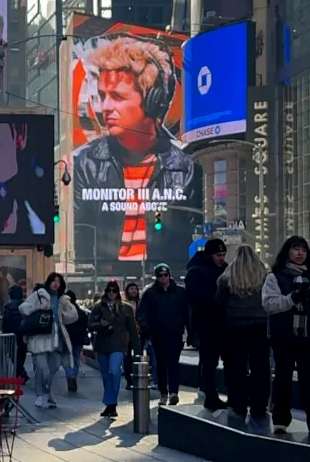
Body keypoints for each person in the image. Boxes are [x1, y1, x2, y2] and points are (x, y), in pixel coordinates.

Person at [72, 36, 202, 265]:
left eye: (117, 97)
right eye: (102, 96)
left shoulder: (186, 168)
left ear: (153, 101)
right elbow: (80, 240)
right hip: (101, 281)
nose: (105, 108)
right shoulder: (86, 163)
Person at [262, 235, 310, 436]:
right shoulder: (274, 277)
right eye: (296, 249)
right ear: (287, 252)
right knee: (282, 379)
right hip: (283, 337)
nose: (300, 254)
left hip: (308, 337)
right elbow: (270, 304)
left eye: (303, 250)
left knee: (309, 380)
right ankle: (280, 420)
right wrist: (293, 298)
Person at [214, 244, 269, 419]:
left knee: (237, 367)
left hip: (235, 328)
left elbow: (219, 305)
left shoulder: (226, 278)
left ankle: (238, 404)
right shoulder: (264, 277)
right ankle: (259, 405)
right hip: (260, 326)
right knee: (260, 367)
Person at [18, 272, 79, 408]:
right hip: (40, 336)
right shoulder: (39, 295)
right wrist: (37, 308)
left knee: (55, 368)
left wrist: (62, 313)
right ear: (48, 282)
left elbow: (73, 316)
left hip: (57, 337)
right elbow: (23, 308)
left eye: (58, 281)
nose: (56, 284)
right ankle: (40, 394)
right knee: (41, 367)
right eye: (53, 281)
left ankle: (51, 397)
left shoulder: (63, 299)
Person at [137, 263, 188, 405]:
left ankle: (173, 392)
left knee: (173, 363)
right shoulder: (150, 293)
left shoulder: (180, 292)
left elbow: (187, 312)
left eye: (165, 275)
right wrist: (146, 329)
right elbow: (142, 313)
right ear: (156, 277)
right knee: (161, 364)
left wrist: (189, 331)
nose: (163, 278)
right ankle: (163, 392)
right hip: (158, 333)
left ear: (169, 275)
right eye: (160, 275)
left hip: (175, 333)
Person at [88, 280, 141, 418]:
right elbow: (90, 325)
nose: (111, 293)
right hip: (102, 345)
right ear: (106, 291)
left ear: (118, 292)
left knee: (114, 371)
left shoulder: (126, 308)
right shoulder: (98, 307)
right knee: (106, 375)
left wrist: (138, 350)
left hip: (119, 345)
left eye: (114, 290)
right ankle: (110, 406)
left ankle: (111, 402)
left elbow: (133, 330)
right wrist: (101, 324)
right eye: (109, 290)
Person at [186, 238, 228, 409]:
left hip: (224, 322)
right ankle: (210, 394)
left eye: (224, 255)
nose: (222, 258)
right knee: (209, 361)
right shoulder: (196, 272)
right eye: (219, 255)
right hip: (206, 322)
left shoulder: (225, 270)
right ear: (210, 255)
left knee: (227, 360)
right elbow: (195, 299)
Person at [1, 283, 30, 380]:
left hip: (11, 333)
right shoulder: (25, 304)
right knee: (22, 353)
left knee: (12, 354)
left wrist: (4, 332)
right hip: (23, 332)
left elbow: (6, 321)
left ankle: (21, 372)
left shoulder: (8, 305)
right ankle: (20, 373)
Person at [64, 289, 90, 393]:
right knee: (75, 359)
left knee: (66, 360)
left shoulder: (65, 313)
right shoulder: (82, 313)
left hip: (67, 339)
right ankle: (73, 375)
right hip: (79, 340)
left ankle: (69, 375)